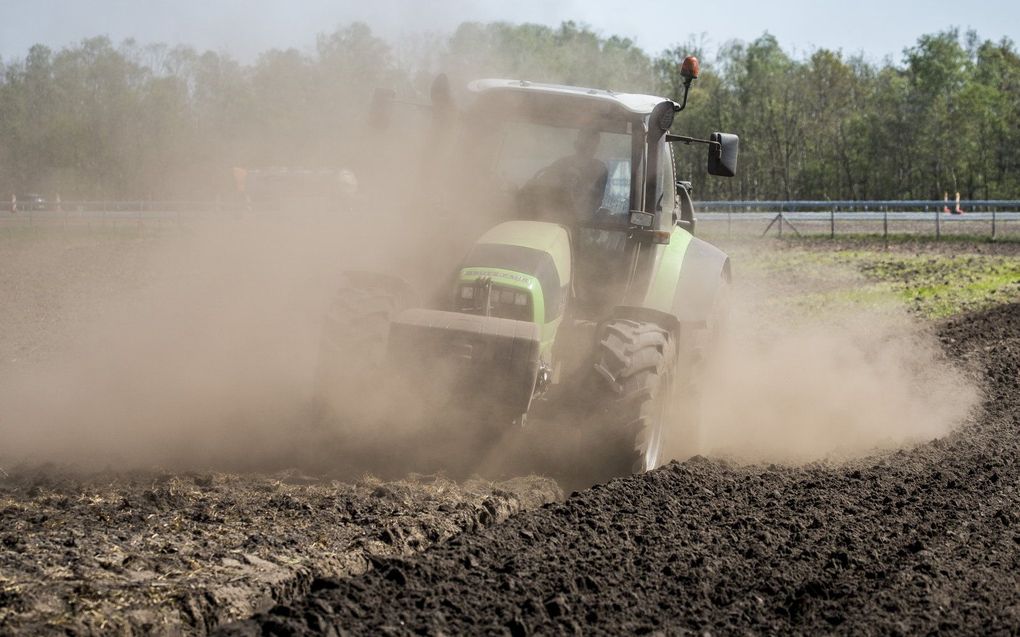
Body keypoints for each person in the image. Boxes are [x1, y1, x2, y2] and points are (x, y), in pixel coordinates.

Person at [521, 129, 609, 224]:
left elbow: (594, 202)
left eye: (590, 145)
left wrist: (579, 187)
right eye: (583, 144)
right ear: (576, 145)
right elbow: (541, 191)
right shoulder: (560, 164)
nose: (586, 148)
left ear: (595, 147)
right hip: (551, 220)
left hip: (582, 225)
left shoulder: (599, 169)